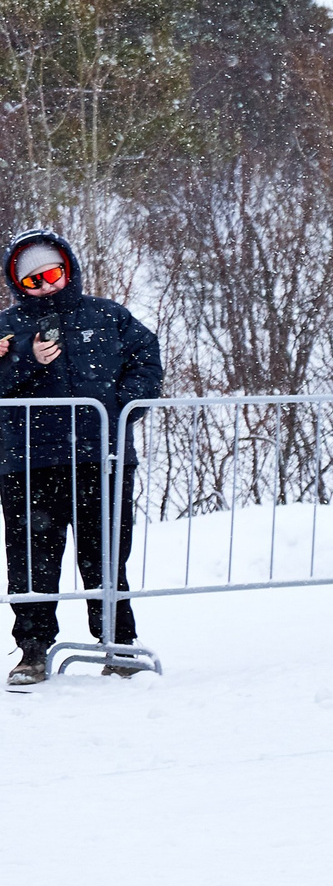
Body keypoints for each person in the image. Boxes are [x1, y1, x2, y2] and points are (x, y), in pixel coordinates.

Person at [0, 231, 160, 689]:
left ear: (68, 269)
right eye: (32, 280)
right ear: (17, 284)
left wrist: (117, 409)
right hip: (29, 462)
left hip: (102, 458)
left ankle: (119, 645)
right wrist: (25, 359)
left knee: (106, 556)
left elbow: (147, 362)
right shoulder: (6, 327)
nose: (45, 286)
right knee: (32, 560)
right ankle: (32, 652)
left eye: (52, 273)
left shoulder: (108, 315)